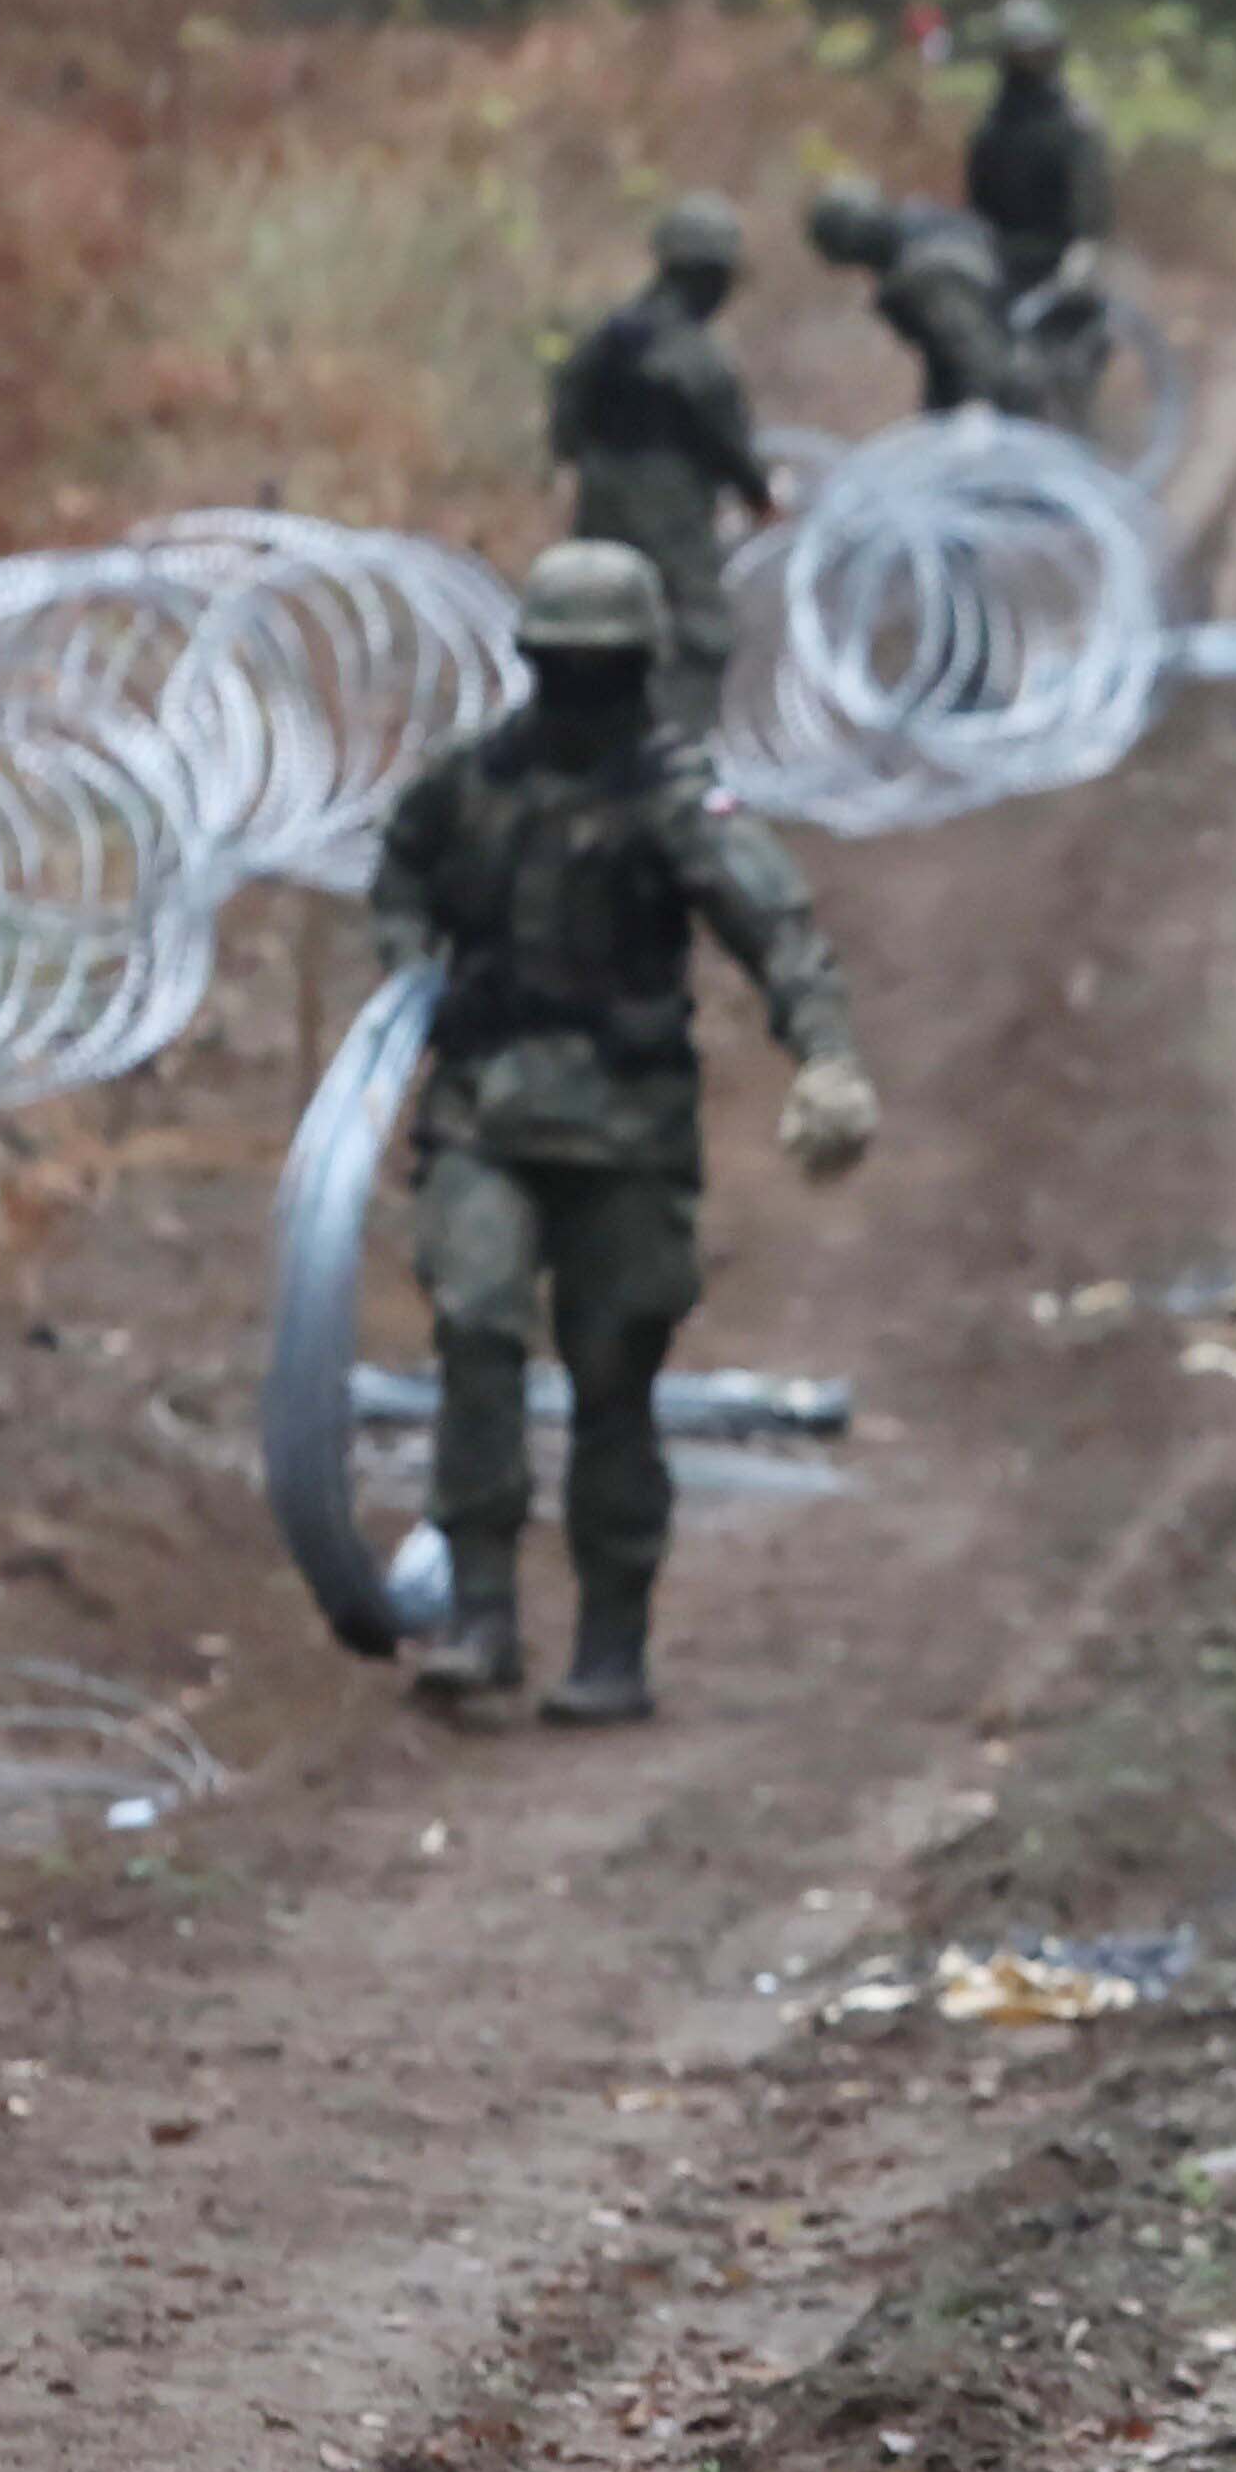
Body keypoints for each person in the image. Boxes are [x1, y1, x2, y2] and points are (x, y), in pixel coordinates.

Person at [361, 543, 884, 1726]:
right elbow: (397, 871)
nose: (584, 691)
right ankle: (482, 1612)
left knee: (614, 1379)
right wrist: (411, 983)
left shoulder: (673, 797)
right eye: (567, 666)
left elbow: (777, 925)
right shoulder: (473, 783)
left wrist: (829, 1057)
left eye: (603, 670)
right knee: (476, 1331)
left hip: (626, 1136)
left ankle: (611, 1640)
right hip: (485, 1117)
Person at [545, 195, 783, 695]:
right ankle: (674, 747)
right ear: (710, 277)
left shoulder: (611, 335)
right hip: (668, 508)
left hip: (601, 496)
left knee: (596, 620)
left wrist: (586, 462)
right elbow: (727, 439)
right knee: (700, 631)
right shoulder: (697, 355)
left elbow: (567, 409)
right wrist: (761, 496)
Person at [960, 0, 1119, 437]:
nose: (1030, 62)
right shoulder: (991, 130)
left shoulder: (1074, 125)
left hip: (1064, 277)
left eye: (1038, 51)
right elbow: (979, 208)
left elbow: (1092, 208)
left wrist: (1083, 254)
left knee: (1072, 386)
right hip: (1005, 276)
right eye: (1021, 53)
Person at [805, 174, 1036, 424]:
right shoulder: (922, 222)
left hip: (1012, 399)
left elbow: (978, 360)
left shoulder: (924, 276)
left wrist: (964, 423)